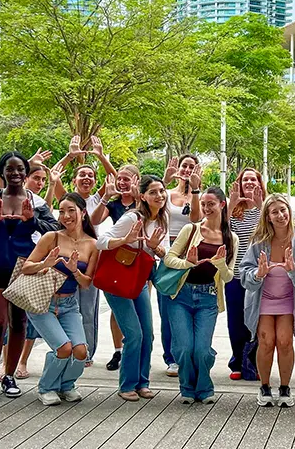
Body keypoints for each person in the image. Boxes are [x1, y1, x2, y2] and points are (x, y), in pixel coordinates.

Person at [0, 152, 60, 402]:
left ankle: (9, 375)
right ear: (1, 172)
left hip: (24, 268)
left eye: (20, 169)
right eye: (9, 169)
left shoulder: (37, 203)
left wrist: (31, 220)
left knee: (19, 323)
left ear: (25, 172)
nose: (15, 174)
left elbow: (54, 230)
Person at [20, 193, 100, 405]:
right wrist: (45, 263)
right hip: (42, 302)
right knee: (64, 348)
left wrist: (74, 270)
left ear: (83, 212)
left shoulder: (93, 244)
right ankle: (46, 387)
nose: (66, 216)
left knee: (81, 351)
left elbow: (86, 283)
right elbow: (26, 267)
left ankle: (66, 385)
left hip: (68, 304)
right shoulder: (51, 237)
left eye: (71, 210)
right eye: (62, 211)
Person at [240, 194, 295, 407]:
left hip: (287, 299)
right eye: (274, 212)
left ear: (289, 211)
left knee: (284, 341)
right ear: (268, 216)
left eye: (283, 210)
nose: (281, 215)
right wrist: (258, 274)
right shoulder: (259, 240)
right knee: (266, 341)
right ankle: (264, 386)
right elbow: (244, 271)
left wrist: (293, 269)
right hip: (262, 299)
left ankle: (285, 387)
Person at [163, 187, 239, 404]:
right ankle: (188, 388)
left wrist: (221, 264)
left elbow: (228, 277)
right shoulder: (190, 230)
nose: (206, 208)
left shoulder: (230, 238)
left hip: (208, 298)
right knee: (184, 348)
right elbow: (169, 258)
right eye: (203, 204)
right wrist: (188, 263)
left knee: (203, 350)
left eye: (211, 204)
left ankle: (204, 387)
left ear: (222, 205)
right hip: (182, 296)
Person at [96, 175, 169, 401]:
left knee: (147, 333)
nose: (159, 195)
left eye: (162, 191)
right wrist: (125, 239)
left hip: (138, 280)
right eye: (153, 192)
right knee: (134, 334)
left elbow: (163, 254)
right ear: (143, 196)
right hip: (117, 281)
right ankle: (127, 384)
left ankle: (142, 383)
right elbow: (101, 241)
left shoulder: (162, 219)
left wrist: (154, 248)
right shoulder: (132, 218)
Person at [51, 136, 118, 367]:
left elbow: (116, 179)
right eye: (82, 174)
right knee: (65, 306)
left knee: (88, 308)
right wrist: (71, 155)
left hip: (90, 256)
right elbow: (54, 174)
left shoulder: (99, 198)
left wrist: (100, 155)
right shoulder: (68, 200)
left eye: (90, 175)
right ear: (75, 180)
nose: (86, 178)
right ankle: (66, 347)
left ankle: (86, 351)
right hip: (65, 256)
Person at [91, 164, 141, 372]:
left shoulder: (143, 202)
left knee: (137, 305)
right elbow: (93, 221)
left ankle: (136, 351)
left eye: (126, 179)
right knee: (117, 308)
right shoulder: (113, 204)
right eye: (119, 179)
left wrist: (139, 199)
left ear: (136, 180)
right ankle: (118, 349)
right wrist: (105, 197)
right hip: (119, 259)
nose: (122, 183)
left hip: (141, 262)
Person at [157, 155, 203, 378]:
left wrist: (194, 191)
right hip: (167, 254)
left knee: (187, 309)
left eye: (191, 167)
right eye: (184, 166)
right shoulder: (165, 194)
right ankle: (171, 358)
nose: (186, 170)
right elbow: (150, 209)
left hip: (190, 256)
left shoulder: (200, 197)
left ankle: (189, 355)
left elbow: (195, 220)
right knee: (167, 309)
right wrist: (164, 183)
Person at [13, 163, 58, 380]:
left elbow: (51, 226)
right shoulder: (5, 197)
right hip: (10, 260)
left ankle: (22, 361)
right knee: (8, 318)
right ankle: (8, 363)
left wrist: (33, 219)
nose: (39, 182)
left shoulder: (39, 204)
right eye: (35, 178)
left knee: (30, 314)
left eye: (42, 179)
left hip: (34, 259)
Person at [225, 168, 266, 381]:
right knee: (236, 320)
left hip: (258, 274)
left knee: (258, 320)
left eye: (253, 179)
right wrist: (231, 205)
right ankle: (238, 361)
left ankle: (256, 362)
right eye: (245, 179)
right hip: (235, 273)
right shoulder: (233, 209)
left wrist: (260, 206)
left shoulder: (265, 207)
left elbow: (270, 232)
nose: (249, 182)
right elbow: (221, 231)